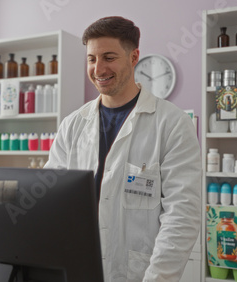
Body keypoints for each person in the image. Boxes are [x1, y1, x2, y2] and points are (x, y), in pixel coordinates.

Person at [44, 16, 201, 282]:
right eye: (92, 59)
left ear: (133, 56)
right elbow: (51, 200)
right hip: (75, 268)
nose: (98, 68)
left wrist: (158, 278)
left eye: (108, 57)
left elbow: (182, 215)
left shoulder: (172, 123)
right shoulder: (72, 125)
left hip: (138, 274)